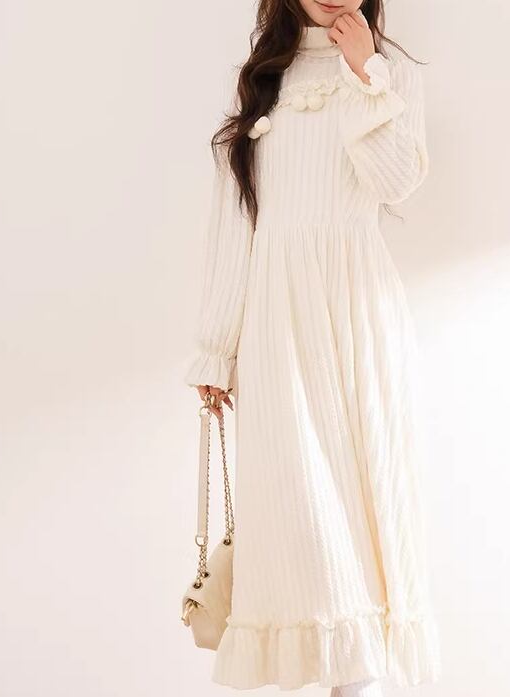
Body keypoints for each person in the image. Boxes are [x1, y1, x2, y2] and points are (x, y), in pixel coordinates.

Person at [184, 1, 441, 693]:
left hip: (359, 314)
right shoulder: (261, 78)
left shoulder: (392, 75)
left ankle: (358, 683)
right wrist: (216, 346)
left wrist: (365, 72)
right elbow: (235, 219)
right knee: (303, 514)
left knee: (368, 504)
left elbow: (396, 181)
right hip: (276, 323)